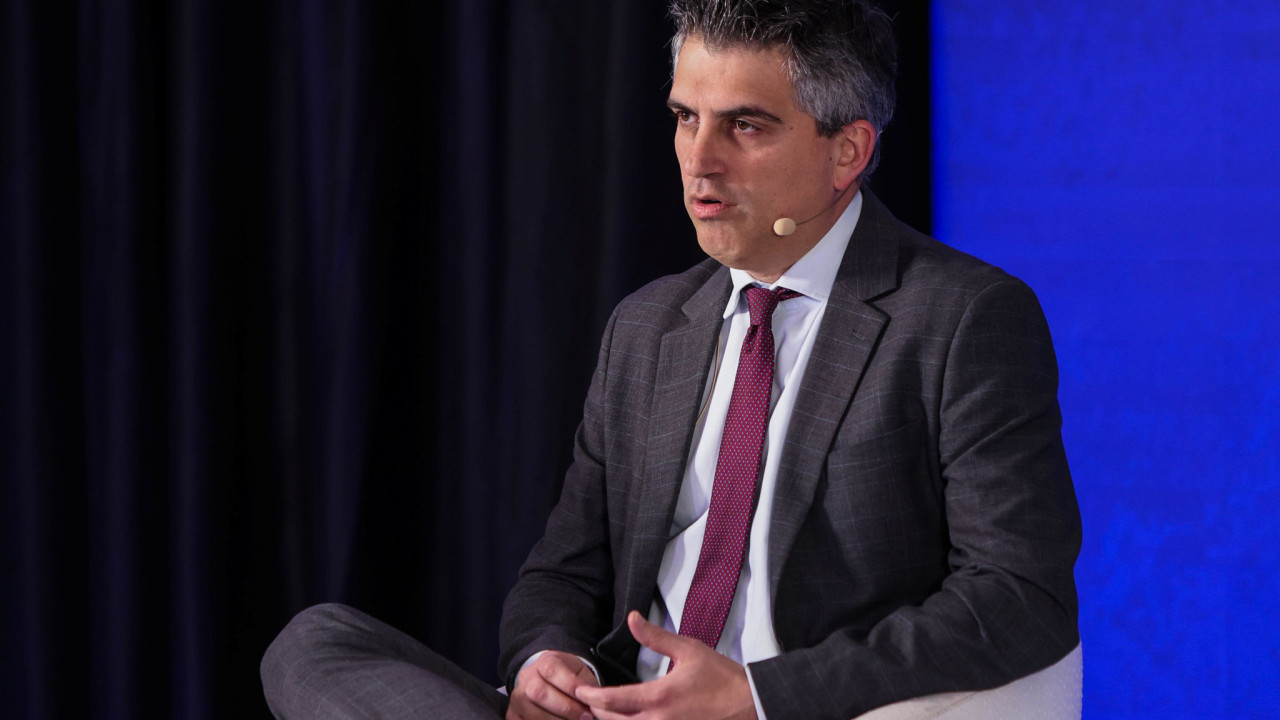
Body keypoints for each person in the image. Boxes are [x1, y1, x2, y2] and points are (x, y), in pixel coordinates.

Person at [260, 1, 1081, 719]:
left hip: (779, 708)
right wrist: (554, 662)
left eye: (744, 126)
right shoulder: (648, 326)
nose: (699, 159)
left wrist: (756, 695)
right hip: (623, 703)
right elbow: (563, 575)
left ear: (847, 151)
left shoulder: (962, 318)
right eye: (687, 117)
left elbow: (1020, 595)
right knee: (315, 642)